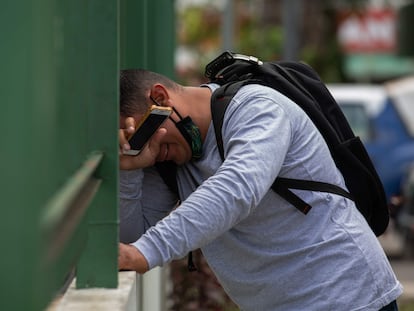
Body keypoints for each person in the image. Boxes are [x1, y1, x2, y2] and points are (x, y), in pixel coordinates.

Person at [118, 68, 403, 311]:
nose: (143, 147)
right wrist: (129, 169)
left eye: (141, 134)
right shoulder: (168, 157)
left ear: (159, 98)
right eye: (131, 141)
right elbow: (132, 240)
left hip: (348, 298)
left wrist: (148, 251)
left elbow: (237, 188)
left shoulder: (257, 107)